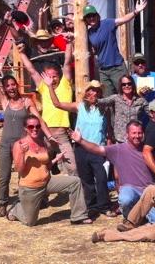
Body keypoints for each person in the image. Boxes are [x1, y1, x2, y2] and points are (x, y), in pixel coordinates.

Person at [0, 47, 54, 217]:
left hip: (24, 144)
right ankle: (2, 203)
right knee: (5, 175)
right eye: (7, 86)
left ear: (17, 85)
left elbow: (39, 120)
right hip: (7, 144)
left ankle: (40, 197)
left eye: (13, 84)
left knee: (31, 171)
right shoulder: (5, 101)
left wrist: (49, 135)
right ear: (5, 89)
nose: (11, 88)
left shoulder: (27, 101)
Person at [42, 77, 114, 218]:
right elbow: (57, 104)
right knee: (86, 180)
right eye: (91, 91)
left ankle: (104, 206)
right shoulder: (79, 106)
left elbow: (109, 131)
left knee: (101, 178)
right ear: (87, 92)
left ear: (100, 94)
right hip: (81, 148)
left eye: (96, 91)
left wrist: (109, 148)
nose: (93, 94)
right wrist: (50, 86)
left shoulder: (104, 109)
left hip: (98, 149)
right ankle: (91, 206)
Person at [6, 116, 91, 226]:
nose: (35, 129)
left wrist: (56, 159)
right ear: (25, 128)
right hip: (30, 187)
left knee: (75, 182)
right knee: (30, 222)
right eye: (31, 126)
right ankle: (16, 208)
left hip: (47, 182)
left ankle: (79, 216)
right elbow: (19, 169)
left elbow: (46, 165)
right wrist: (22, 154)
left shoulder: (43, 143)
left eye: (37, 126)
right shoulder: (20, 144)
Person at [70, 120, 155, 223]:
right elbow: (97, 149)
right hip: (130, 189)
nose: (137, 136)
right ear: (127, 134)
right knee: (126, 197)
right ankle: (130, 219)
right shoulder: (118, 150)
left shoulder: (148, 150)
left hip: (147, 192)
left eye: (139, 133)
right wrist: (81, 140)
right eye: (134, 133)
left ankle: (141, 216)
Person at [17, 39, 78, 176]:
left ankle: (75, 193)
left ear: (59, 76)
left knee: (72, 167)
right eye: (48, 76)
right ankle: (43, 193)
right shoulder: (44, 87)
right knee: (42, 165)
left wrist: (68, 43)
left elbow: (67, 62)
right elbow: (31, 70)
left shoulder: (65, 85)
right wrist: (21, 53)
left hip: (62, 133)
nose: (52, 79)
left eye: (54, 76)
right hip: (43, 132)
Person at [84, 0, 148, 96]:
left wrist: (136, 11)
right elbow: (93, 50)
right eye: (88, 16)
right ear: (85, 19)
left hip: (117, 67)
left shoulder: (107, 23)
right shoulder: (89, 33)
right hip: (103, 70)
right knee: (107, 98)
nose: (91, 18)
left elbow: (123, 19)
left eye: (93, 15)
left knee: (126, 94)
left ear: (97, 15)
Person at [98, 75, 148, 142]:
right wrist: (92, 97)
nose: (126, 86)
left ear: (133, 85)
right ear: (121, 86)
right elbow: (102, 102)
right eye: (123, 84)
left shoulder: (141, 100)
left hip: (136, 140)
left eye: (129, 84)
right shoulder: (116, 98)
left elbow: (152, 114)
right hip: (120, 140)